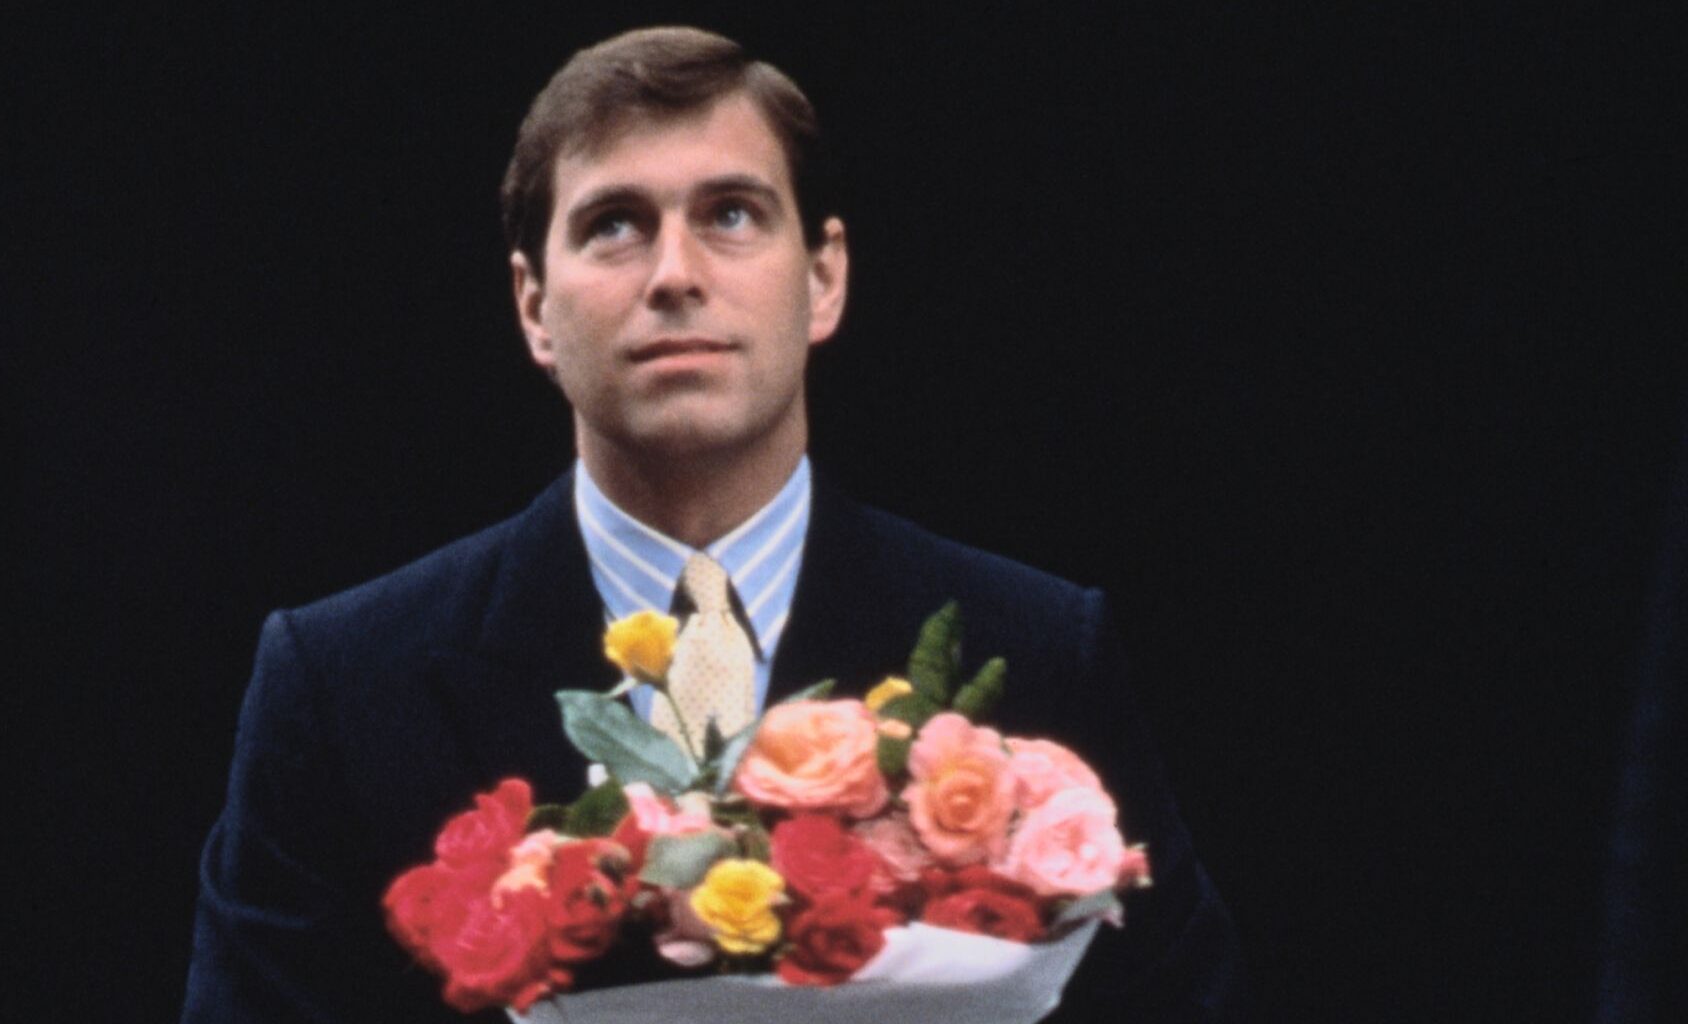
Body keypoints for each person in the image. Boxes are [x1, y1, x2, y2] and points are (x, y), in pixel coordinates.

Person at [182, 26, 1244, 1022]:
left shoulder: (1041, 646)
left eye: (731, 213)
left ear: (823, 278)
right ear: (532, 305)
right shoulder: (342, 685)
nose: (676, 272)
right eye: (615, 225)